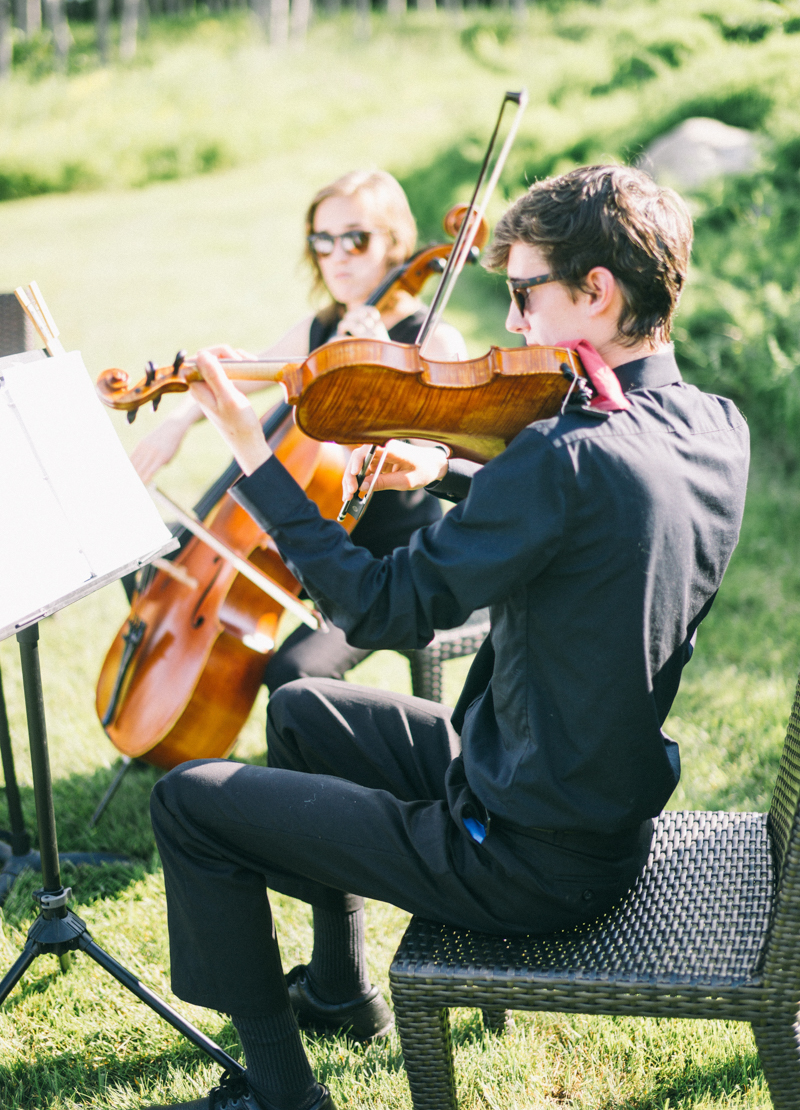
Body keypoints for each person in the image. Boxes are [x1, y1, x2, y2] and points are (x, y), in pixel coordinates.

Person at [147, 165, 750, 1110]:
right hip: (582, 804)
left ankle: (277, 1091)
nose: (512, 323)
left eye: (525, 294)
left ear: (597, 292)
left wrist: (253, 457)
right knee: (303, 709)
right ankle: (343, 991)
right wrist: (458, 474)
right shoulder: (714, 425)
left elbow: (380, 608)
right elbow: (599, 532)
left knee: (190, 801)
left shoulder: (561, 453)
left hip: (522, 856)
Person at [129, 169, 467, 693]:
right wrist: (177, 420)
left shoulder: (435, 341)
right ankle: (176, 702)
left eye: (356, 239)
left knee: (292, 674)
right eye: (323, 241)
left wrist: (376, 373)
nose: (338, 256)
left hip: (379, 562)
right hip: (307, 538)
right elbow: (248, 371)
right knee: (150, 563)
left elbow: (434, 458)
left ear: (395, 243)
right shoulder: (323, 328)